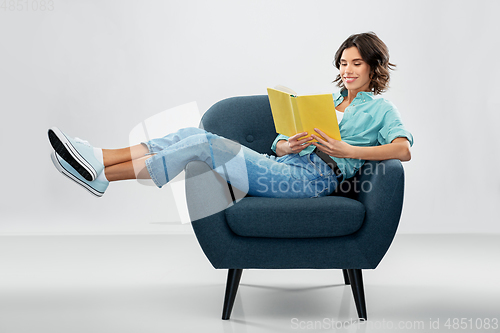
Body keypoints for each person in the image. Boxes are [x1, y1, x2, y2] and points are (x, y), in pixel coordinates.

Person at [48, 32, 413, 199]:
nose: (348, 70)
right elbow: (281, 141)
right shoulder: (330, 99)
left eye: (356, 63)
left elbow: (402, 150)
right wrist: (286, 144)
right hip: (285, 164)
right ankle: (99, 159)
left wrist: (349, 151)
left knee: (204, 144)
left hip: (313, 182)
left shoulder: (381, 109)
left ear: (373, 67)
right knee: (191, 132)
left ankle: (103, 173)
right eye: (343, 63)